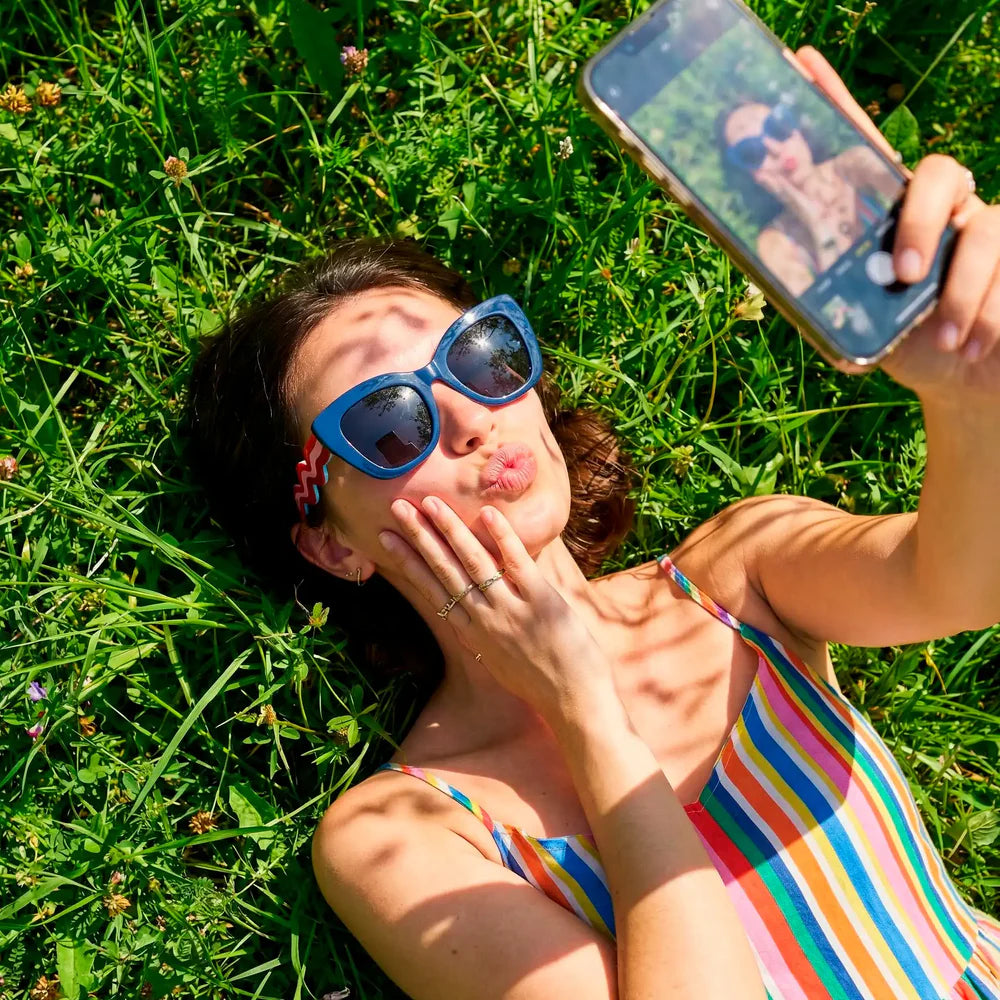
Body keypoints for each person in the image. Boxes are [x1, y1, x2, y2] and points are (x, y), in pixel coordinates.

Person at [183, 47, 1000, 1000]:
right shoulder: (403, 833)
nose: (467, 416)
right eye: (387, 421)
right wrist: (587, 715)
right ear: (331, 542)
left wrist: (973, 396)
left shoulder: (738, 577)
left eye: (480, 354)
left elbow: (965, 585)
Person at [719, 96, 902, 296]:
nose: (775, 149)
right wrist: (815, 223)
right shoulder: (775, 243)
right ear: (750, 176)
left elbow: (910, 197)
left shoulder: (852, 167)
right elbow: (825, 315)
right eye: (751, 152)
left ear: (797, 131)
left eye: (776, 128)